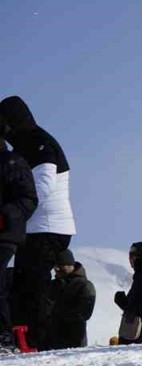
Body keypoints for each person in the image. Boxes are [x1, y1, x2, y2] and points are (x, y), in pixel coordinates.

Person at [0, 96, 76, 350]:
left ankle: (37, 343)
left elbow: (43, 186)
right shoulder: (25, 144)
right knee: (24, 286)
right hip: (35, 227)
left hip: (48, 226)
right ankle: (26, 341)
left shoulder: (38, 142)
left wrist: (14, 210)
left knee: (35, 288)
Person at [0, 115, 37, 347]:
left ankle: (3, 337)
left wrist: (4, 216)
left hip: (4, 233)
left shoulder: (11, 161)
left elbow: (28, 198)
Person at [46, 248, 95, 350]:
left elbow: (84, 313)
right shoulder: (54, 284)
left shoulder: (84, 285)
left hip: (74, 343)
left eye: (60, 265)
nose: (56, 269)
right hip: (50, 342)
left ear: (70, 265)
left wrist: (55, 311)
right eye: (55, 265)